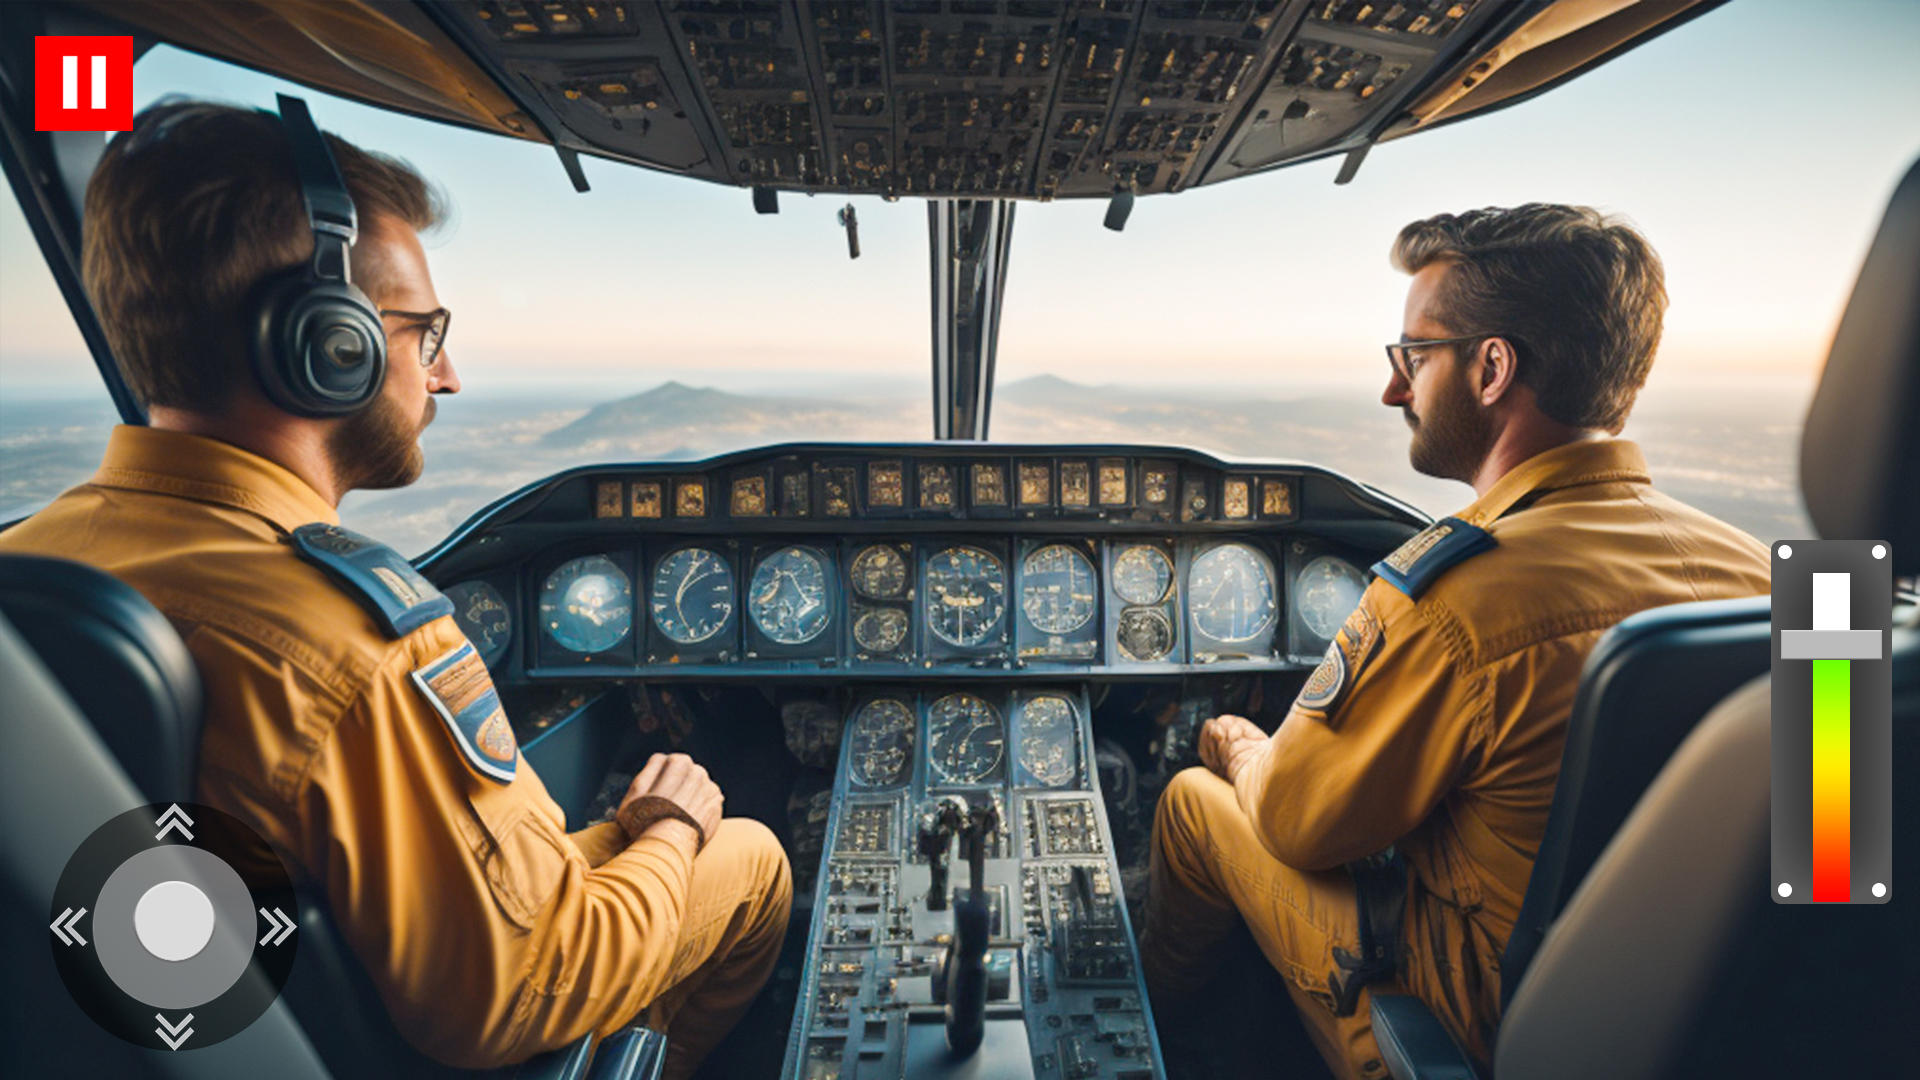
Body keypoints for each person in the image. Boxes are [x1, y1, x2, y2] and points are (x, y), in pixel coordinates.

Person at [0, 100, 790, 1077]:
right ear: (326, 344)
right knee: (748, 848)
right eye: (425, 332)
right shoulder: (347, 646)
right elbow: (516, 992)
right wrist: (669, 829)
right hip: (413, 1027)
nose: (446, 376)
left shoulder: (29, 564)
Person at [1138, 204, 1772, 1078]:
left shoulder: (1456, 598)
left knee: (1192, 805)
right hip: (1730, 1027)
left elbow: (1293, 823)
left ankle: (1148, 1038)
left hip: (1474, 1032)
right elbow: (1840, 857)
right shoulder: (1792, 584)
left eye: (1412, 356)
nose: (1395, 389)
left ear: (1492, 368)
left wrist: (1237, 743)